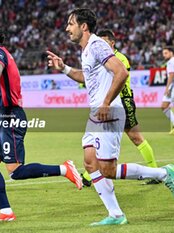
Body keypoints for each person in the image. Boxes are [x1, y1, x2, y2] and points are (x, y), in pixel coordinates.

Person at [46, 8, 174, 226]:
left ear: (83, 26)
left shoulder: (96, 45)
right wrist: (64, 68)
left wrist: (106, 103)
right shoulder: (86, 50)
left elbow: (121, 72)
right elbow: (87, 78)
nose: (67, 28)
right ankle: (116, 215)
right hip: (96, 114)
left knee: (108, 169)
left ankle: (164, 173)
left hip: (109, 113)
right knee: (89, 161)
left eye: (71, 23)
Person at [0, 24, 82, 222]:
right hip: (1, 117)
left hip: (11, 116)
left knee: (16, 172)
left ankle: (64, 169)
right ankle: (6, 212)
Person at [81, 29, 160, 186]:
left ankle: (156, 172)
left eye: (105, 42)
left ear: (112, 42)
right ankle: (88, 175)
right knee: (99, 139)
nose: (101, 45)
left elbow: (119, 78)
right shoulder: (98, 57)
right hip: (107, 103)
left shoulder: (119, 58)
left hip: (123, 101)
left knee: (136, 137)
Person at [161, 46, 174, 134]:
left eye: (166, 53)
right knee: (164, 106)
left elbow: (171, 75)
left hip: (172, 86)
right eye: (163, 54)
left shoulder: (171, 61)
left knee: (164, 106)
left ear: (171, 53)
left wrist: (167, 88)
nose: (164, 55)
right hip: (172, 86)